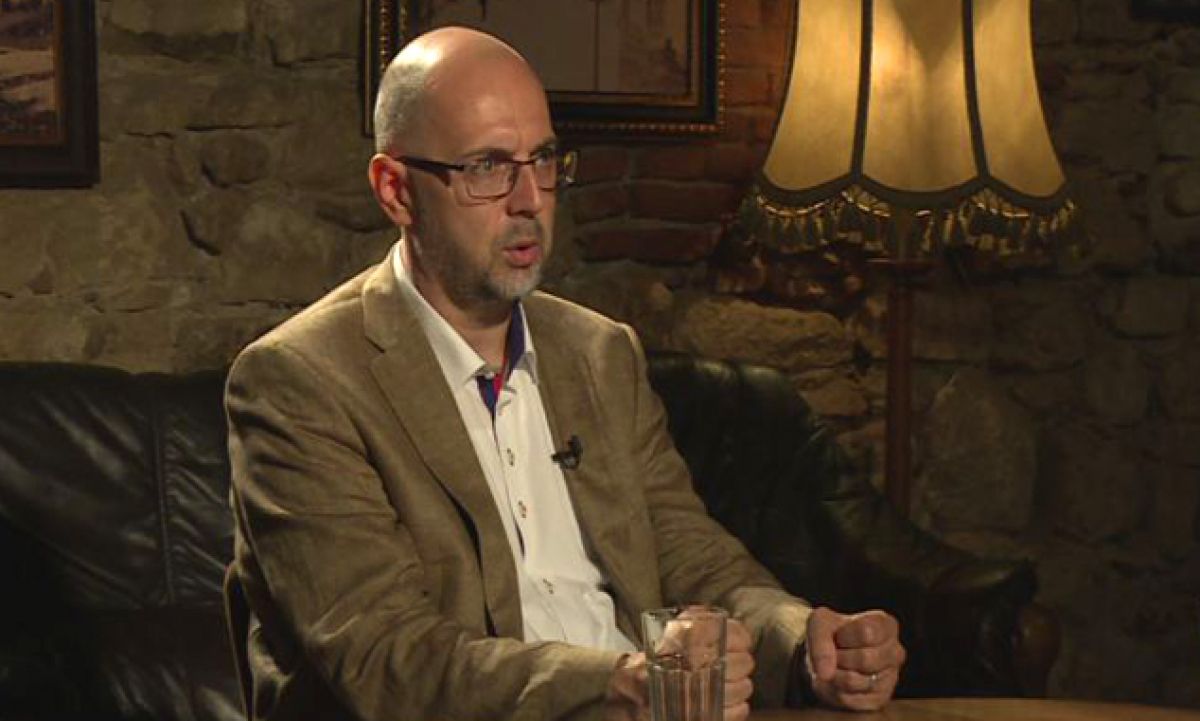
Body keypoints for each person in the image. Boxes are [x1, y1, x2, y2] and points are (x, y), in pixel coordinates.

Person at [224, 26, 905, 721]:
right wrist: (619, 683)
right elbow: (387, 658)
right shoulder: (300, 382)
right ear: (396, 191)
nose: (530, 200)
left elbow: (691, 556)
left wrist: (803, 641)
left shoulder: (599, 352)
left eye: (543, 160)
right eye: (487, 167)